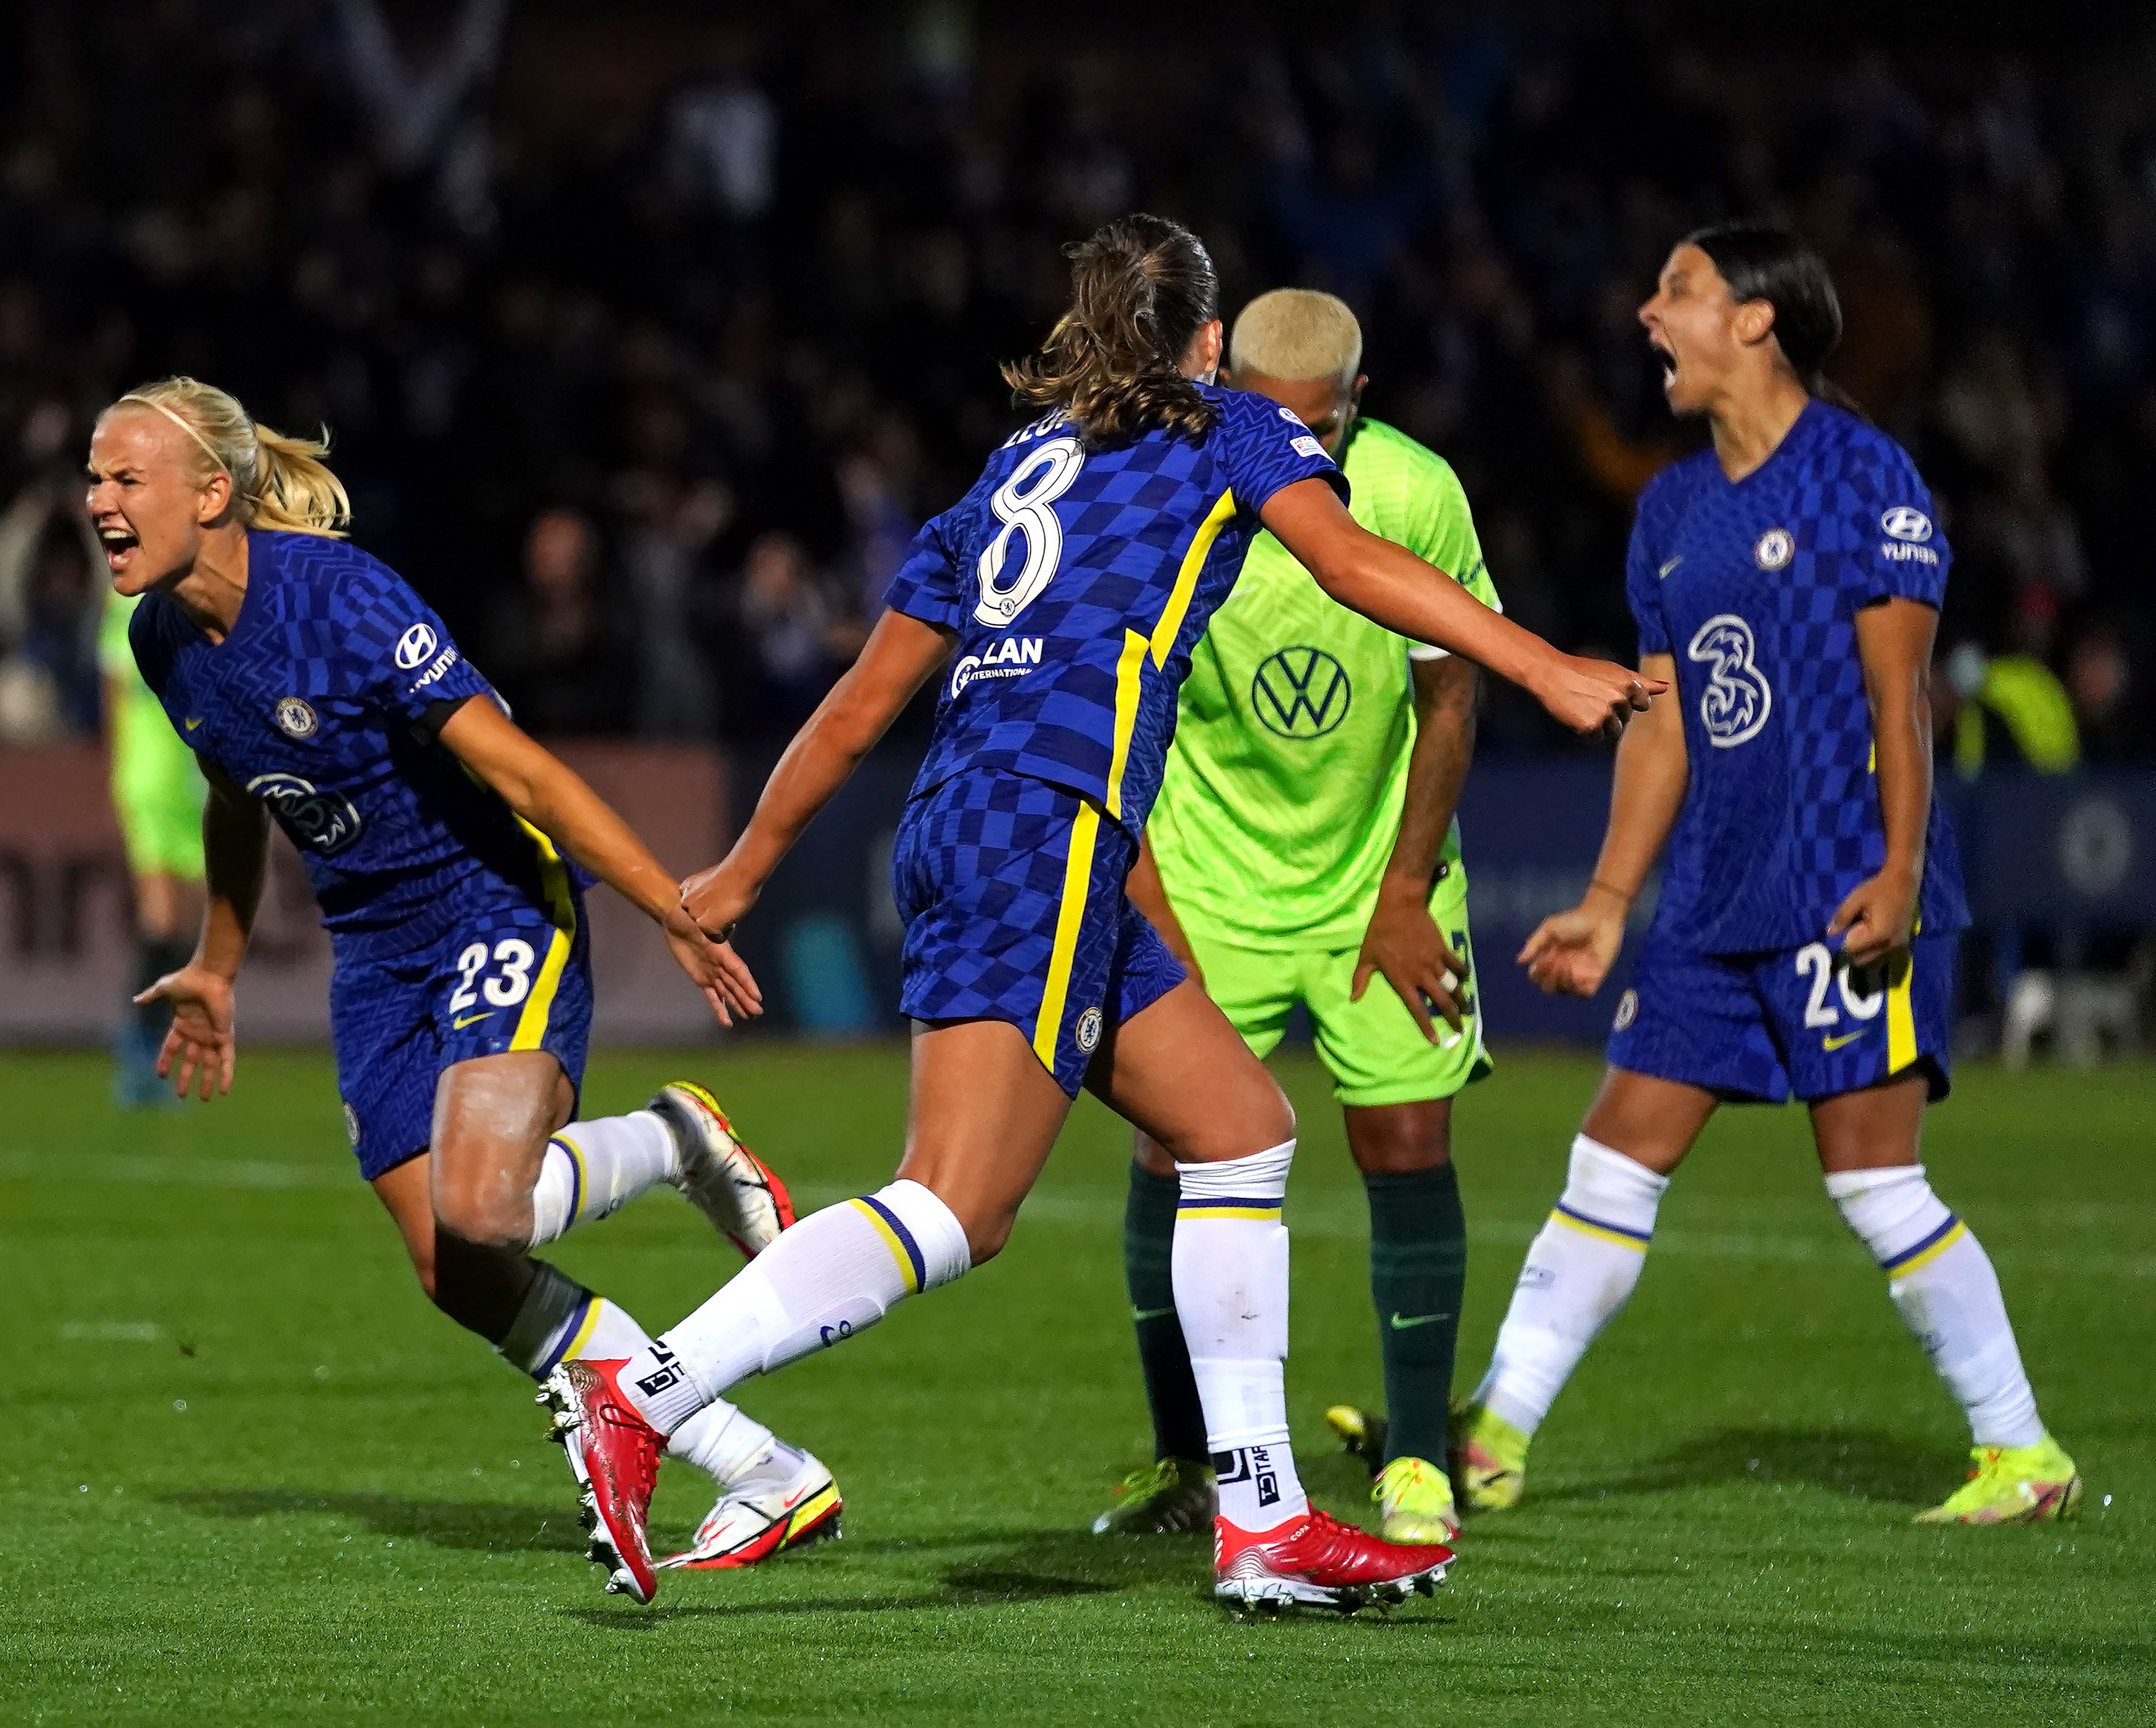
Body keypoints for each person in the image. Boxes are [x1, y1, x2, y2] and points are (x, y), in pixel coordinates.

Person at [539, 214, 1655, 1610]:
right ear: (1203, 339)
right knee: (955, 1201)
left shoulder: (1013, 469)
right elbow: (1352, 563)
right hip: (1050, 827)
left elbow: (856, 703)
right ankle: (646, 1395)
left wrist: (747, 869)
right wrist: (1541, 661)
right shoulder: (1229, 427)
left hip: (972, 819)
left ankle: (1260, 1518)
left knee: (1241, 1128)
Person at [88, 376, 843, 1571]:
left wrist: (671, 907)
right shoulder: (161, 640)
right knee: (454, 1266)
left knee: (484, 1204)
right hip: (375, 947)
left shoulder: (339, 599)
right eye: (96, 479)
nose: (100, 502)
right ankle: (761, 1466)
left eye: (126, 478)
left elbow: (526, 775)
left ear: (212, 491)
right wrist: (217, 964)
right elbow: (241, 798)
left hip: (492, 898)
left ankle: (668, 1140)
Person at [1460, 224, 2082, 1527]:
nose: (1645, 312)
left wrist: (1902, 867)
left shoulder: (1863, 479)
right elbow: (1667, 720)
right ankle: (1492, 1431)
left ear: (1754, 319)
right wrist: (1609, 899)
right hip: (1708, 897)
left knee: (1871, 1180)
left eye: (1675, 289)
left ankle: (2020, 1449)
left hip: (1843, 878)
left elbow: (1899, 696)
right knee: (1609, 1162)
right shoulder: (1673, 510)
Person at [1107, 288, 1493, 1546]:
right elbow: (1127, 701)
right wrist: (1150, 888)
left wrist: (1398, 893)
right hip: (1209, 876)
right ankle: (1184, 1459)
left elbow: (1448, 702)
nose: (1294, 455)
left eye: (1319, 430)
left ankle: (1422, 1461)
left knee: (1403, 1142)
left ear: (1358, 405)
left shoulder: (1415, 495)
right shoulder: (1163, 490)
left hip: (1375, 878)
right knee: (1173, 1151)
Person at [98, 581, 208, 1108]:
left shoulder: (200, 593)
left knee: (186, 926)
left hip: (194, 779)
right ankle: (135, 1048)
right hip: (150, 776)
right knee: (162, 919)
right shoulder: (128, 602)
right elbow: (116, 686)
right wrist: (120, 760)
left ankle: (155, 1050)